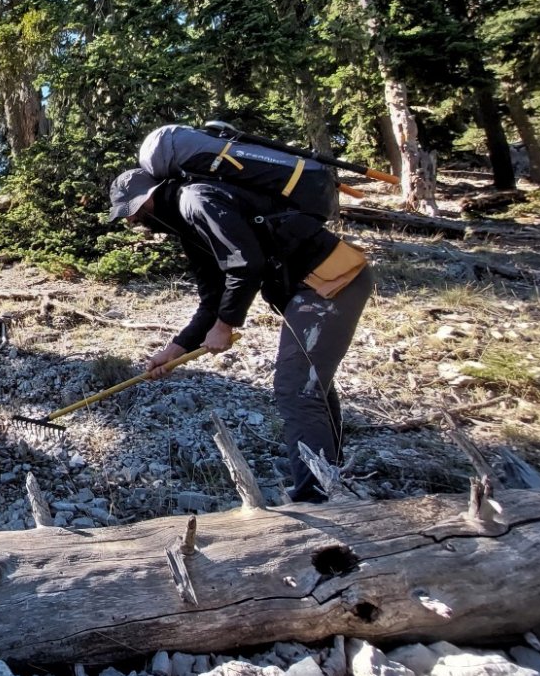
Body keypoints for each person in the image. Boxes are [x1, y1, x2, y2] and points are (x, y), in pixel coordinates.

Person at [107, 167, 372, 503]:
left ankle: (317, 496)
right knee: (309, 385)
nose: (132, 222)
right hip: (314, 289)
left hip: (332, 281)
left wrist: (226, 325)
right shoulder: (189, 225)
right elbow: (211, 301)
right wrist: (174, 351)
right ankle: (330, 481)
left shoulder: (196, 200)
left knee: (296, 389)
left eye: (133, 213)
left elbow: (246, 264)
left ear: (150, 198)